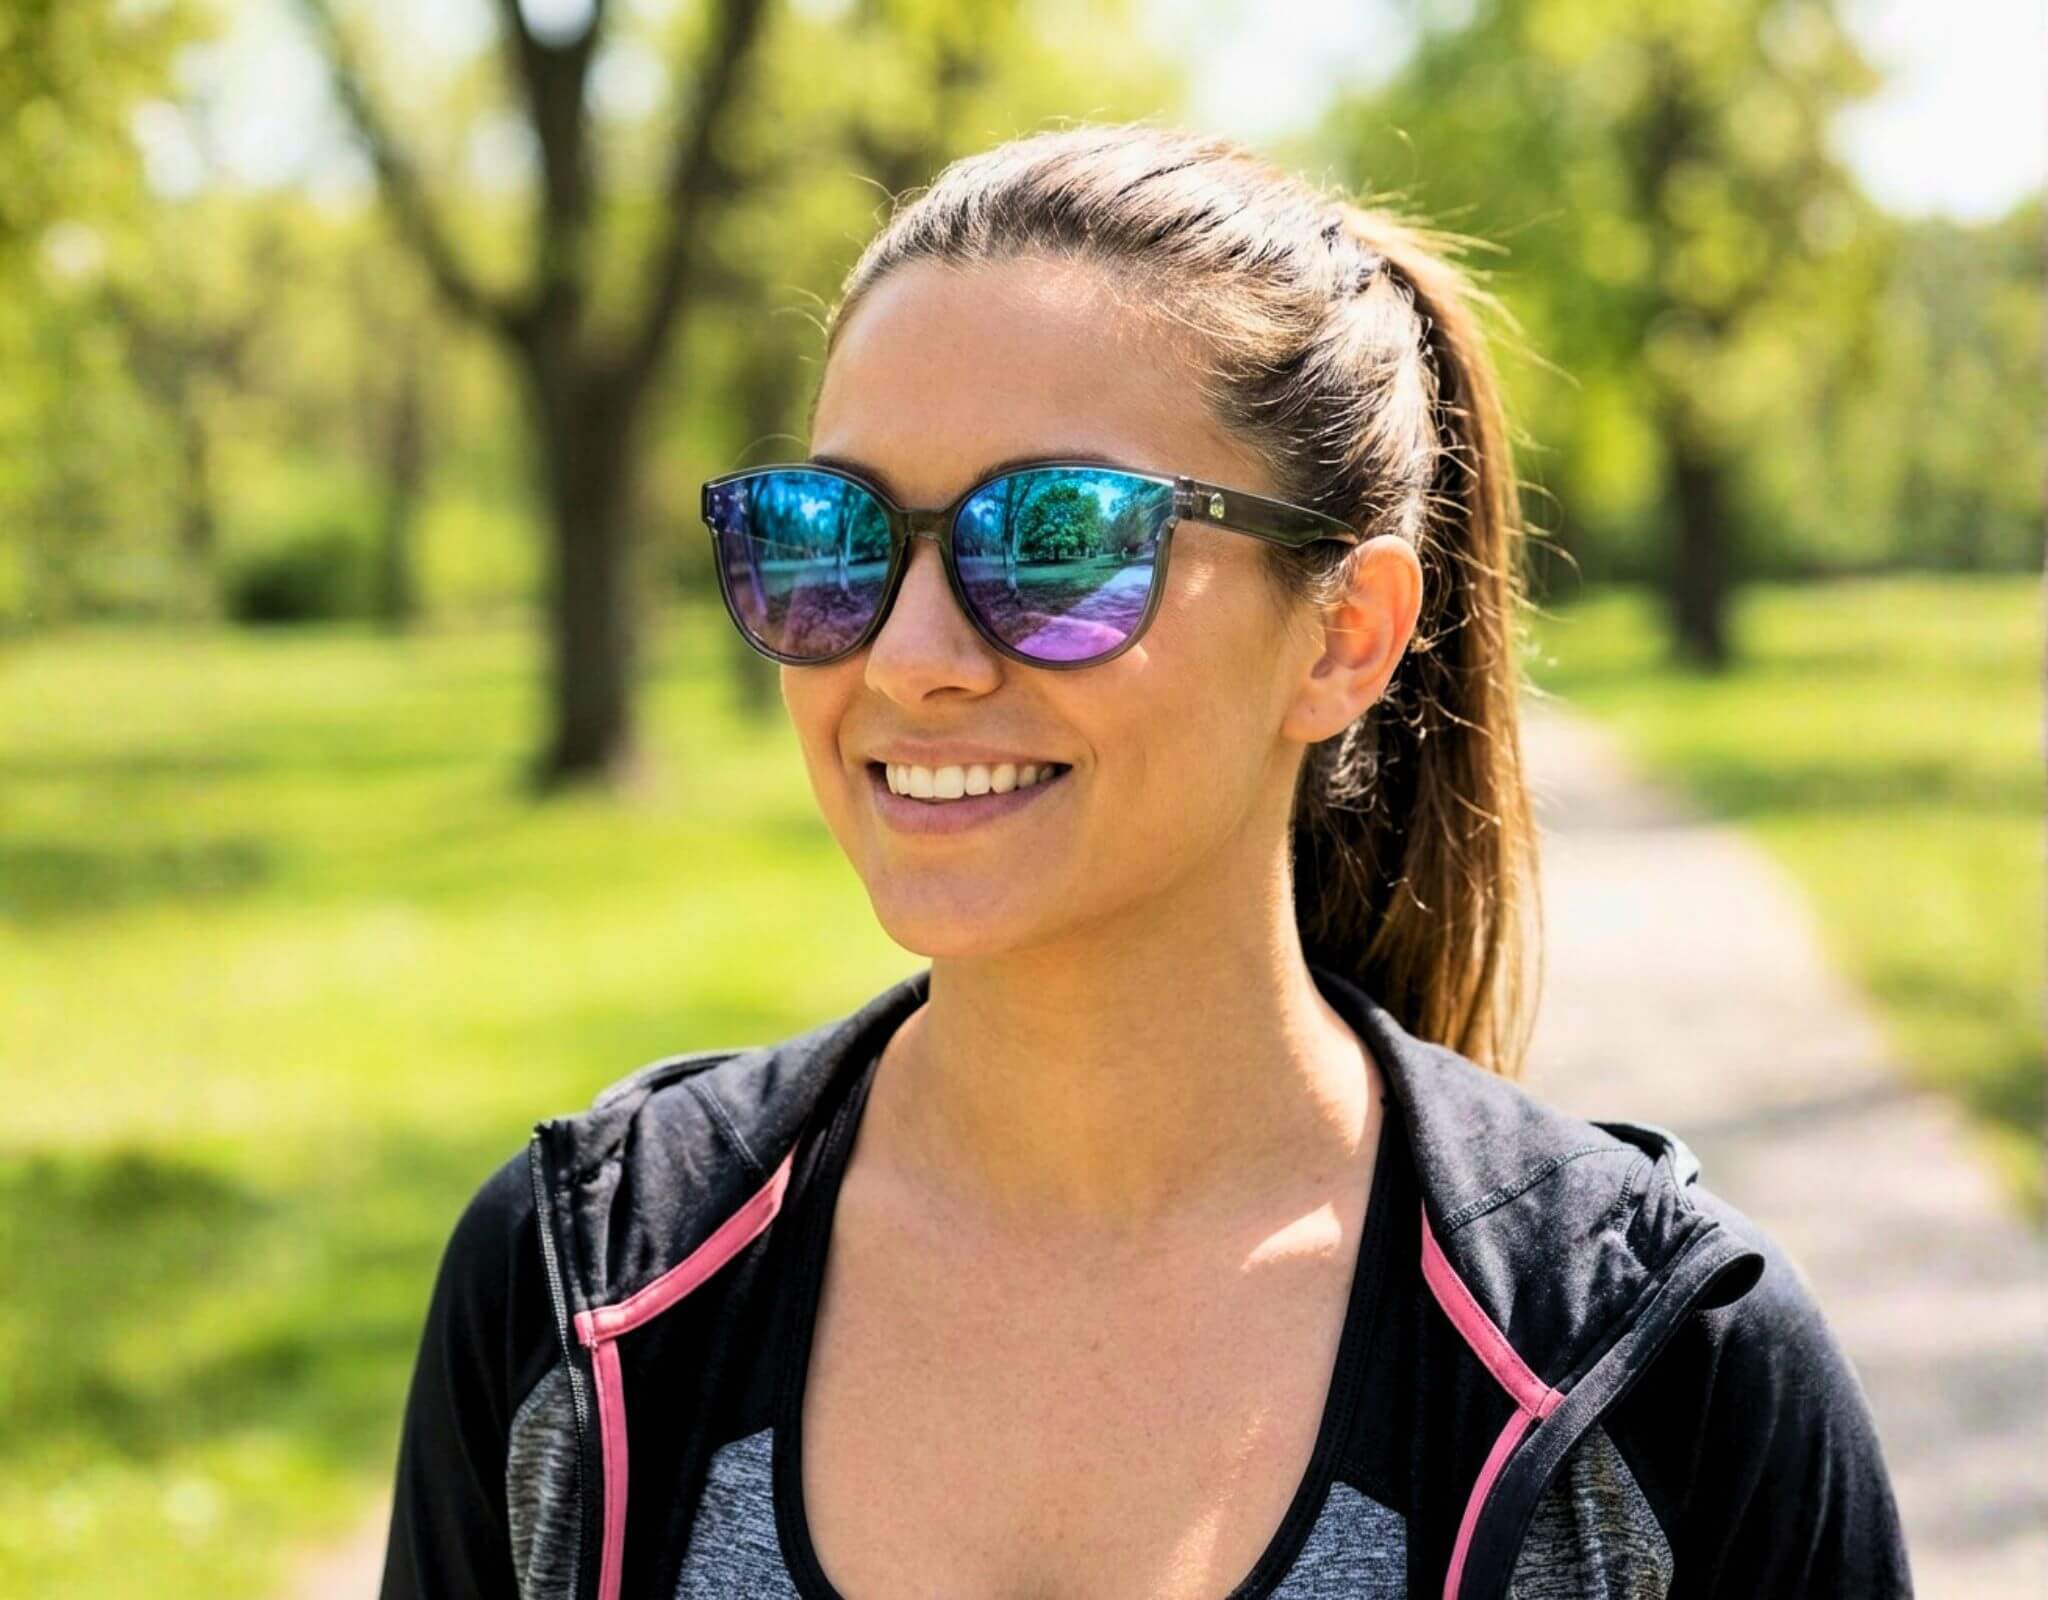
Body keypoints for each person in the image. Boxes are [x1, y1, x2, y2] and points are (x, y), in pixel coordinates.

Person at [377, 121, 1913, 1600]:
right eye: (830, 533)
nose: (911, 659)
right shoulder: (573, 1304)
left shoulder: (1664, 1379)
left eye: (1055, 539)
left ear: (1344, 636)